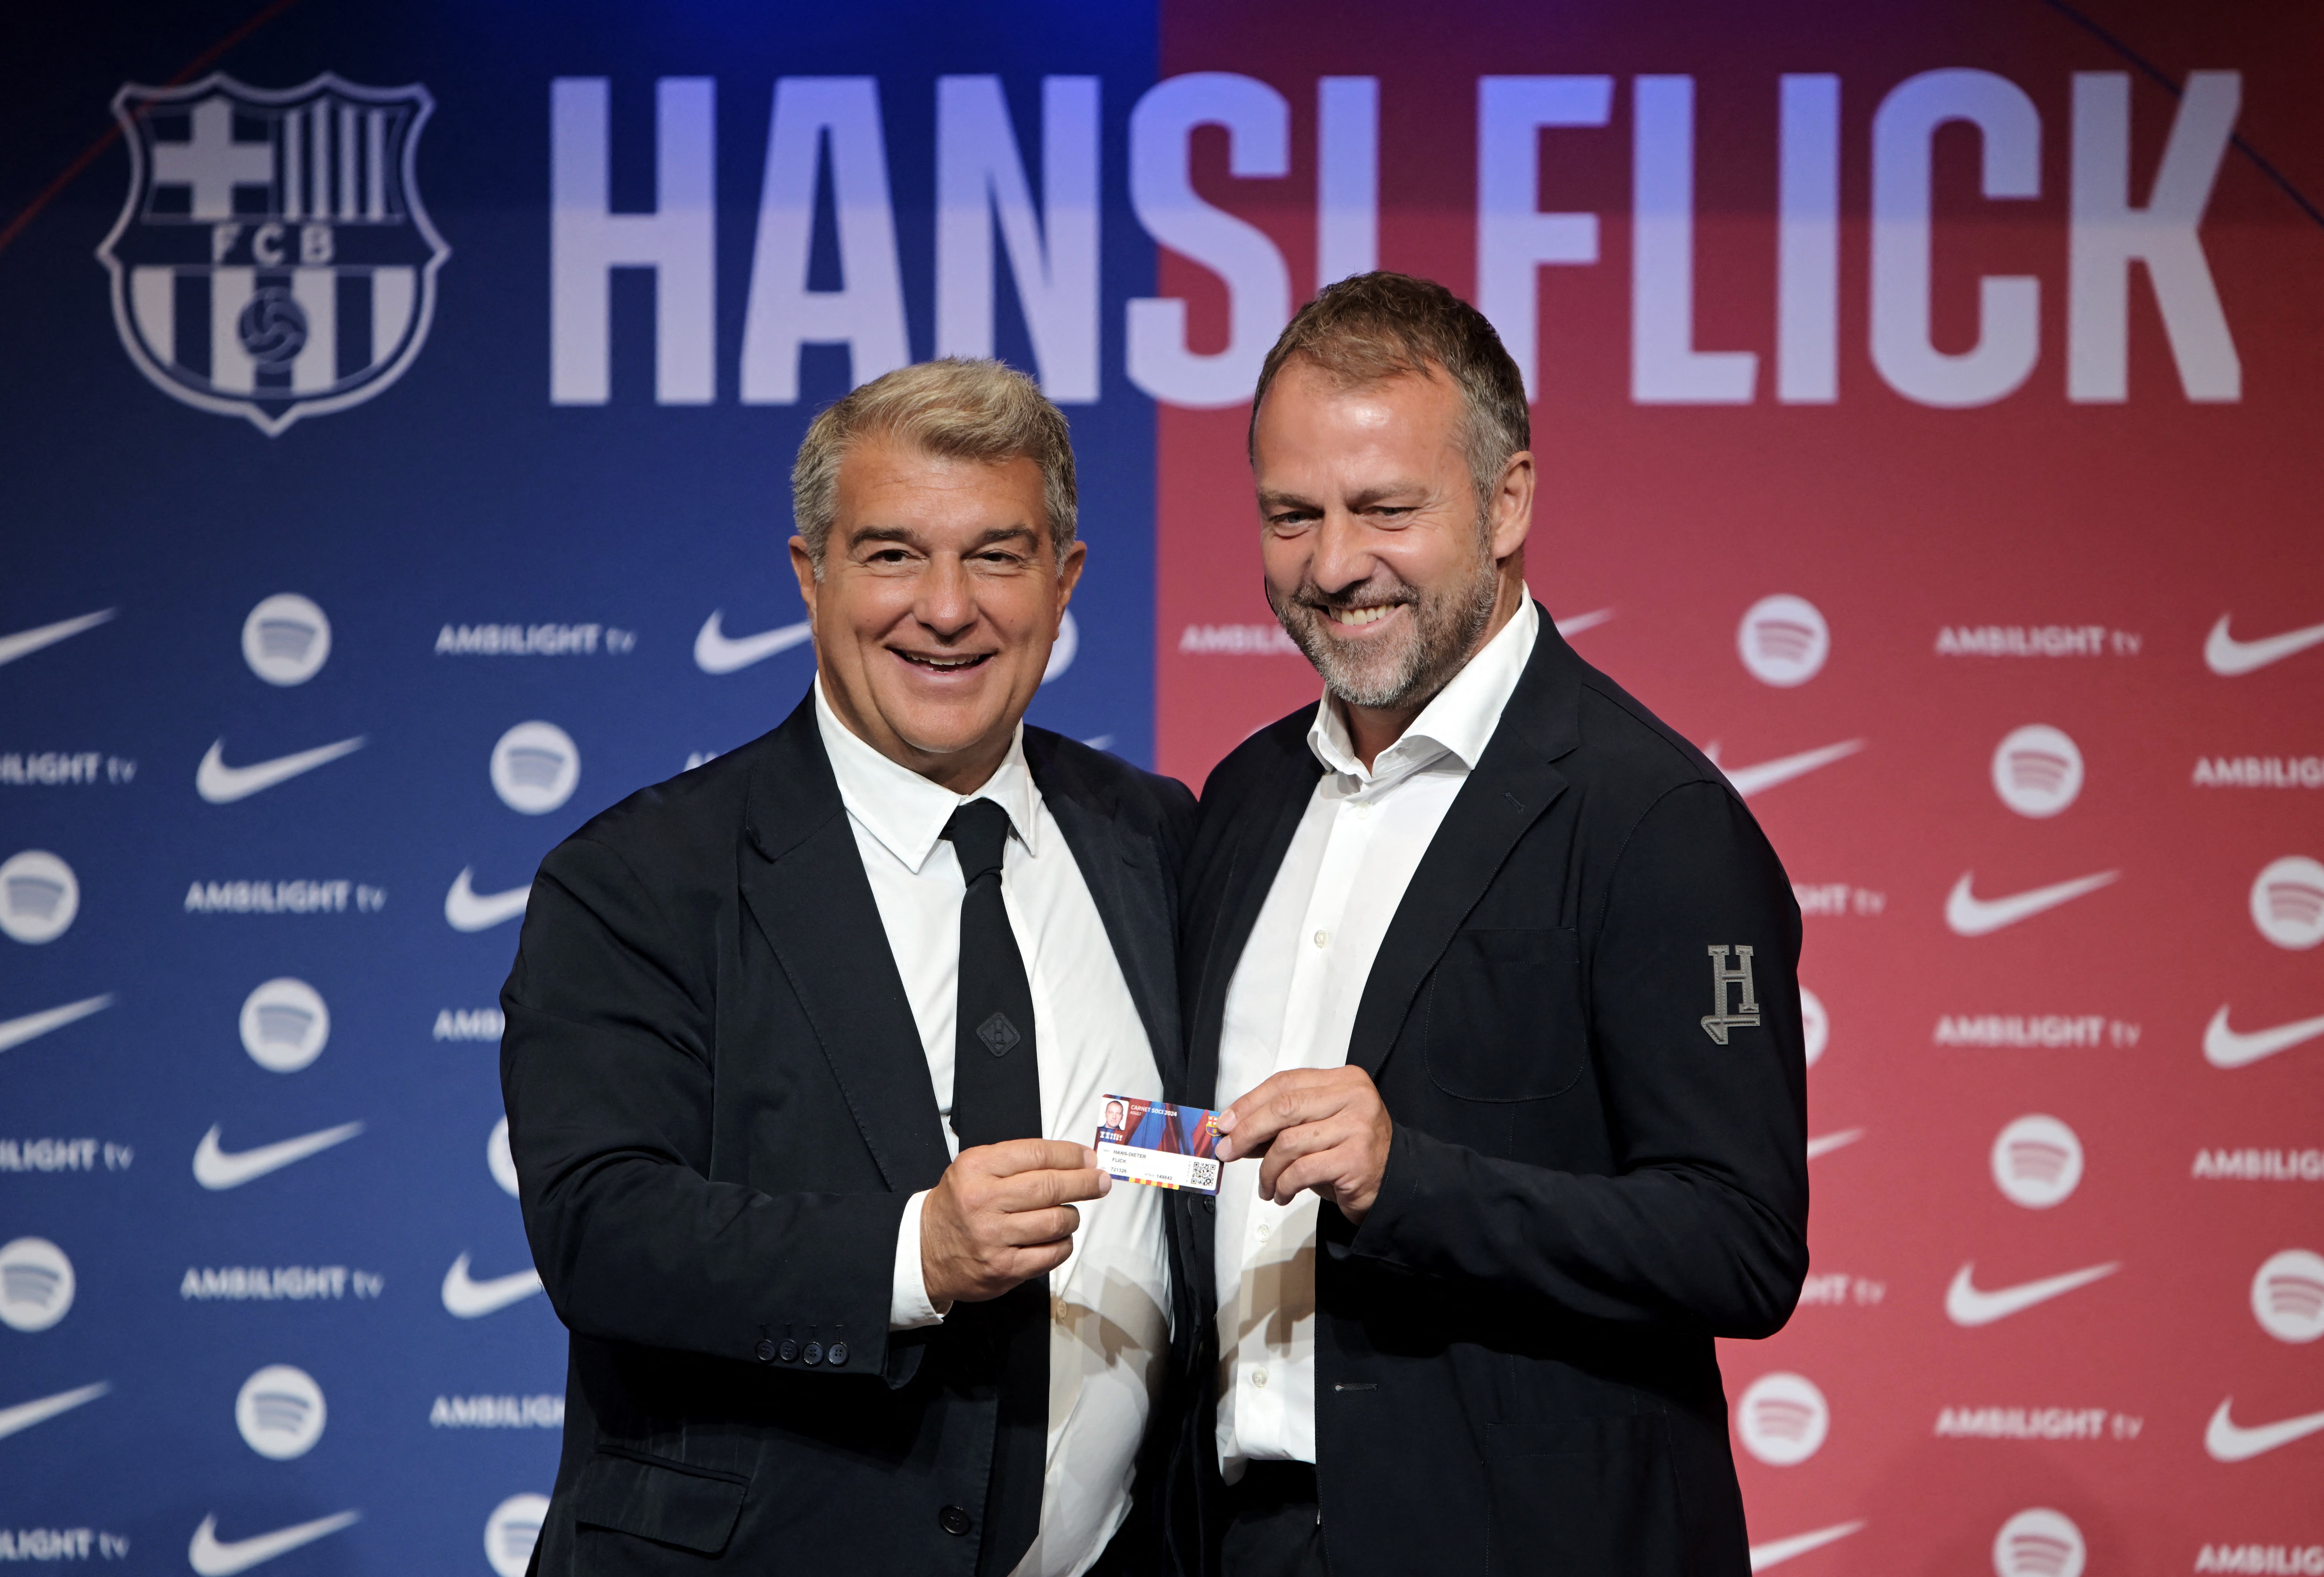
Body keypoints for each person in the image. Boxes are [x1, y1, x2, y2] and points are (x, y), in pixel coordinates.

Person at [502, 360, 1194, 1577]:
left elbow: (1193, 1154)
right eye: (890, 555)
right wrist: (912, 1255)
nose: (946, 608)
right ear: (809, 575)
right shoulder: (639, 877)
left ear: (1065, 579)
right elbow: (601, 1226)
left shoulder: (1160, 839)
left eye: (997, 554)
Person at [1166, 273, 1810, 1576]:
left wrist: (1411, 1177)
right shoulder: (1238, 799)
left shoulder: (1655, 815)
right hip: (1239, 1540)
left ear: (1509, 499)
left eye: (1386, 509)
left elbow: (1740, 1241)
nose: (1334, 564)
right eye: (1293, 514)